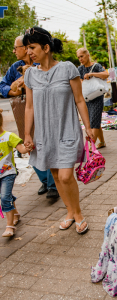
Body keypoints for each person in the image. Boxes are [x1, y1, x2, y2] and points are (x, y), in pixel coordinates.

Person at [23, 26, 94, 234]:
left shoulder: (67, 69)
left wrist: (88, 127)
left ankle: (78, 213)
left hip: (67, 130)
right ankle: (69, 212)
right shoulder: (30, 76)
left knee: (65, 176)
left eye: (32, 47)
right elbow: (29, 107)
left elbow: (79, 100)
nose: (29, 52)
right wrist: (27, 134)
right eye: (27, 48)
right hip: (44, 133)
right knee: (54, 174)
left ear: (46, 47)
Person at [0, 36, 58, 199]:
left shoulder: (42, 62)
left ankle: (54, 184)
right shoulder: (15, 67)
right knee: (29, 144)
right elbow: (2, 85)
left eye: (15, 47)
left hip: (44, 108)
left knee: (48, 143)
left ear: (25, 48)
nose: (13, 51)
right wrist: (12, 91)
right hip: (23, 109)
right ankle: (45, 180)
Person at [0, 109, 29, 237]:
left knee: (4, 198)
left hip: (8, 173)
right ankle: (15, 214)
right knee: (6, 195)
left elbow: (21, 149)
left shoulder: (8, 136)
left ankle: (9, 226)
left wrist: (26, 148)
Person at [77, 48, 109, 149]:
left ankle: (92, 146)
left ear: (87, 55)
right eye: (78, 57)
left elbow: (106, 74)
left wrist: (91, 74)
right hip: (86, 98)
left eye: (81, 56)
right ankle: (102, 142)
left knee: (94, 121)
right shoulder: (80, 69)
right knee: (94, 120)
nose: (80, 59)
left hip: (97, 97)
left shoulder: (96, 66)